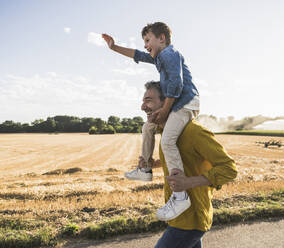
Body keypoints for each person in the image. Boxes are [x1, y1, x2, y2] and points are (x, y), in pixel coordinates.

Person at [102, 22, 200, 221]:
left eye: (148, 40)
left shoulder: (169, 54)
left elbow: (176, 83)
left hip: (186, 103)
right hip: (174, 104)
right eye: (144, 42)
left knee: (167, 141)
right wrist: (114, 47)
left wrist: (164, 110)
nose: (146, 45)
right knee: (147, 127)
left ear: (161, 38)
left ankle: (181, 196)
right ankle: (145, 168)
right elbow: (137, 55)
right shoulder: (159, 58)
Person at [140, 81, 238, 248]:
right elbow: (184, 160)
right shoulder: (167, 134)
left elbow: (229, 169)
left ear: (167, 103)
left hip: (190, 220)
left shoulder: (194, 132)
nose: (143, 106)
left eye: (149, 100)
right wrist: (154, 163)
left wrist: (188, 182)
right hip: (178, 216)